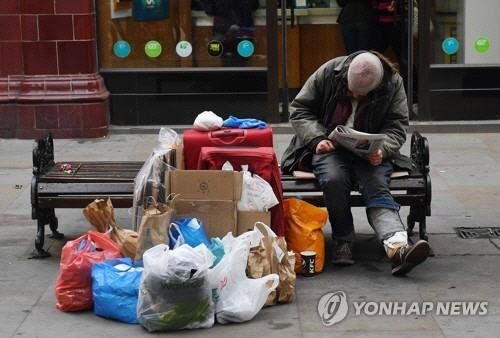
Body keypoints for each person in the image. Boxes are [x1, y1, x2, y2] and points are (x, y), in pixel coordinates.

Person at [280, 51, 430, 276]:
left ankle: (397, 248)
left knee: (376, 182)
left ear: (376, 85)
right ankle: (343, 240)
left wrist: (382, 149)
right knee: (333, 179)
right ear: (347, 75)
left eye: (361, 95)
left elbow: (397, 125)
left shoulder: (392, 83)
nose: (354, 96)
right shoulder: (329, 72)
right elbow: (300, 110)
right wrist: (317, 139)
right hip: (329, 147)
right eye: (350, 91)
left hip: (369, 152)